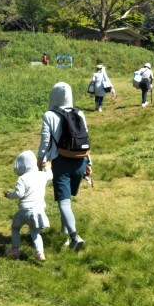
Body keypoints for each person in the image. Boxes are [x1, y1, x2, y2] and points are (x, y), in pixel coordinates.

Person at [37, 82, 91, 252]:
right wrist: (89, 163)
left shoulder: (49, 115)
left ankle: (74, 237)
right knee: (67, 199)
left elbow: (45, 142)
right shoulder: (79, 113)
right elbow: (86, 138)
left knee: (63, 202)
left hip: (61, 162)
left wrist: (40, 161)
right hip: (80, 162)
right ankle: (64, 233)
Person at [4, 150, 52, 262]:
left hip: (23, 211)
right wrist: (47, 167)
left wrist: (9, 195)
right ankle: (40, 253)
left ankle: (15, 251)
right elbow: (50, 176)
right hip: (37, 211)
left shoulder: (22, 178)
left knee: (15, 228)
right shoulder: (42, 175)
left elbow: (19, 193)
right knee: (35, 233)